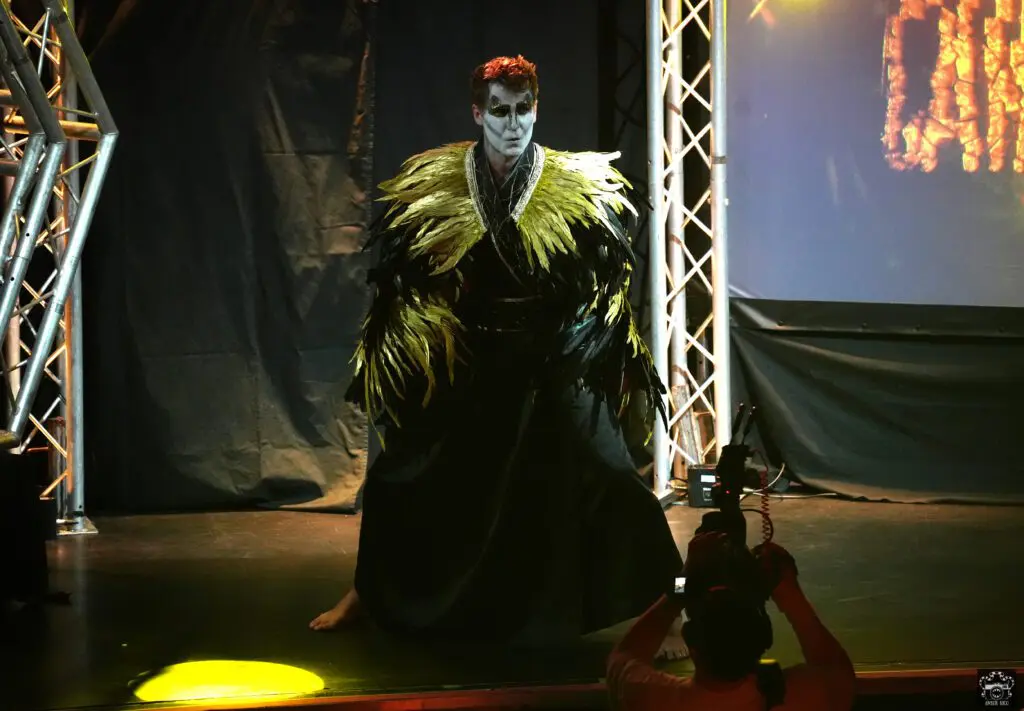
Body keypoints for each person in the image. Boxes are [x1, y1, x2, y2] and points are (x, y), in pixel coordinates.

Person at [310, 55, 686, 653]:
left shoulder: (572, 186)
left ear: (536, 109)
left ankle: (667, 608)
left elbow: (601, 284)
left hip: (548, 356)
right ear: (478, 113)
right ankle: (366, 591)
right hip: (468, 355)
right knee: (400, 472)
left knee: (611, 471)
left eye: (523, 110)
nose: (513, 125)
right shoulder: (440, 182)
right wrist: (419, 341)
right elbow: (405, 278)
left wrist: (580, 346)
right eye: (501, 112)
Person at [606, 533, 856, 711]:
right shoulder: (807, 698)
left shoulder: (649, 699)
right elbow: (837, 670)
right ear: (763, 636)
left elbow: (624, 655)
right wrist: (789, 592)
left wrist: (683, 581)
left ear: (691, 643)